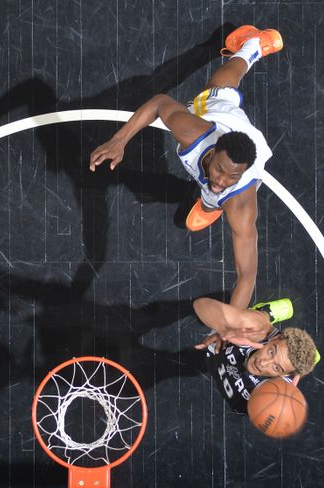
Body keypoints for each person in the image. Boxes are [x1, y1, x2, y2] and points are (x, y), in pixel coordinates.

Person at [90, 25, 283, 308]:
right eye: (219, 170)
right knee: (220, 85)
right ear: (214, 151)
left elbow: (246, 275)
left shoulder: (240, 200)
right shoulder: (194, 133)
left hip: (244, 153)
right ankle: (253, 45)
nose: (220, 179)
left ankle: (209, 205)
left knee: (217, 196)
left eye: (231, 177)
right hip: (221, 115)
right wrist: (119, 141)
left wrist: (229, 326)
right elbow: (159, 102)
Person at [192, 296, 318, 415]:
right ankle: (268, 312)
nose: (263, 363)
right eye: (271, 352)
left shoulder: (277, 394)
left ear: (284, 375)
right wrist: (224, 329)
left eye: (276, 367)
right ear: (274, 338)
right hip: (249, 331)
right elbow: (200, 304)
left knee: (305, 363)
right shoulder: (256, 330)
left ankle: (311, 359)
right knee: (251, 320)